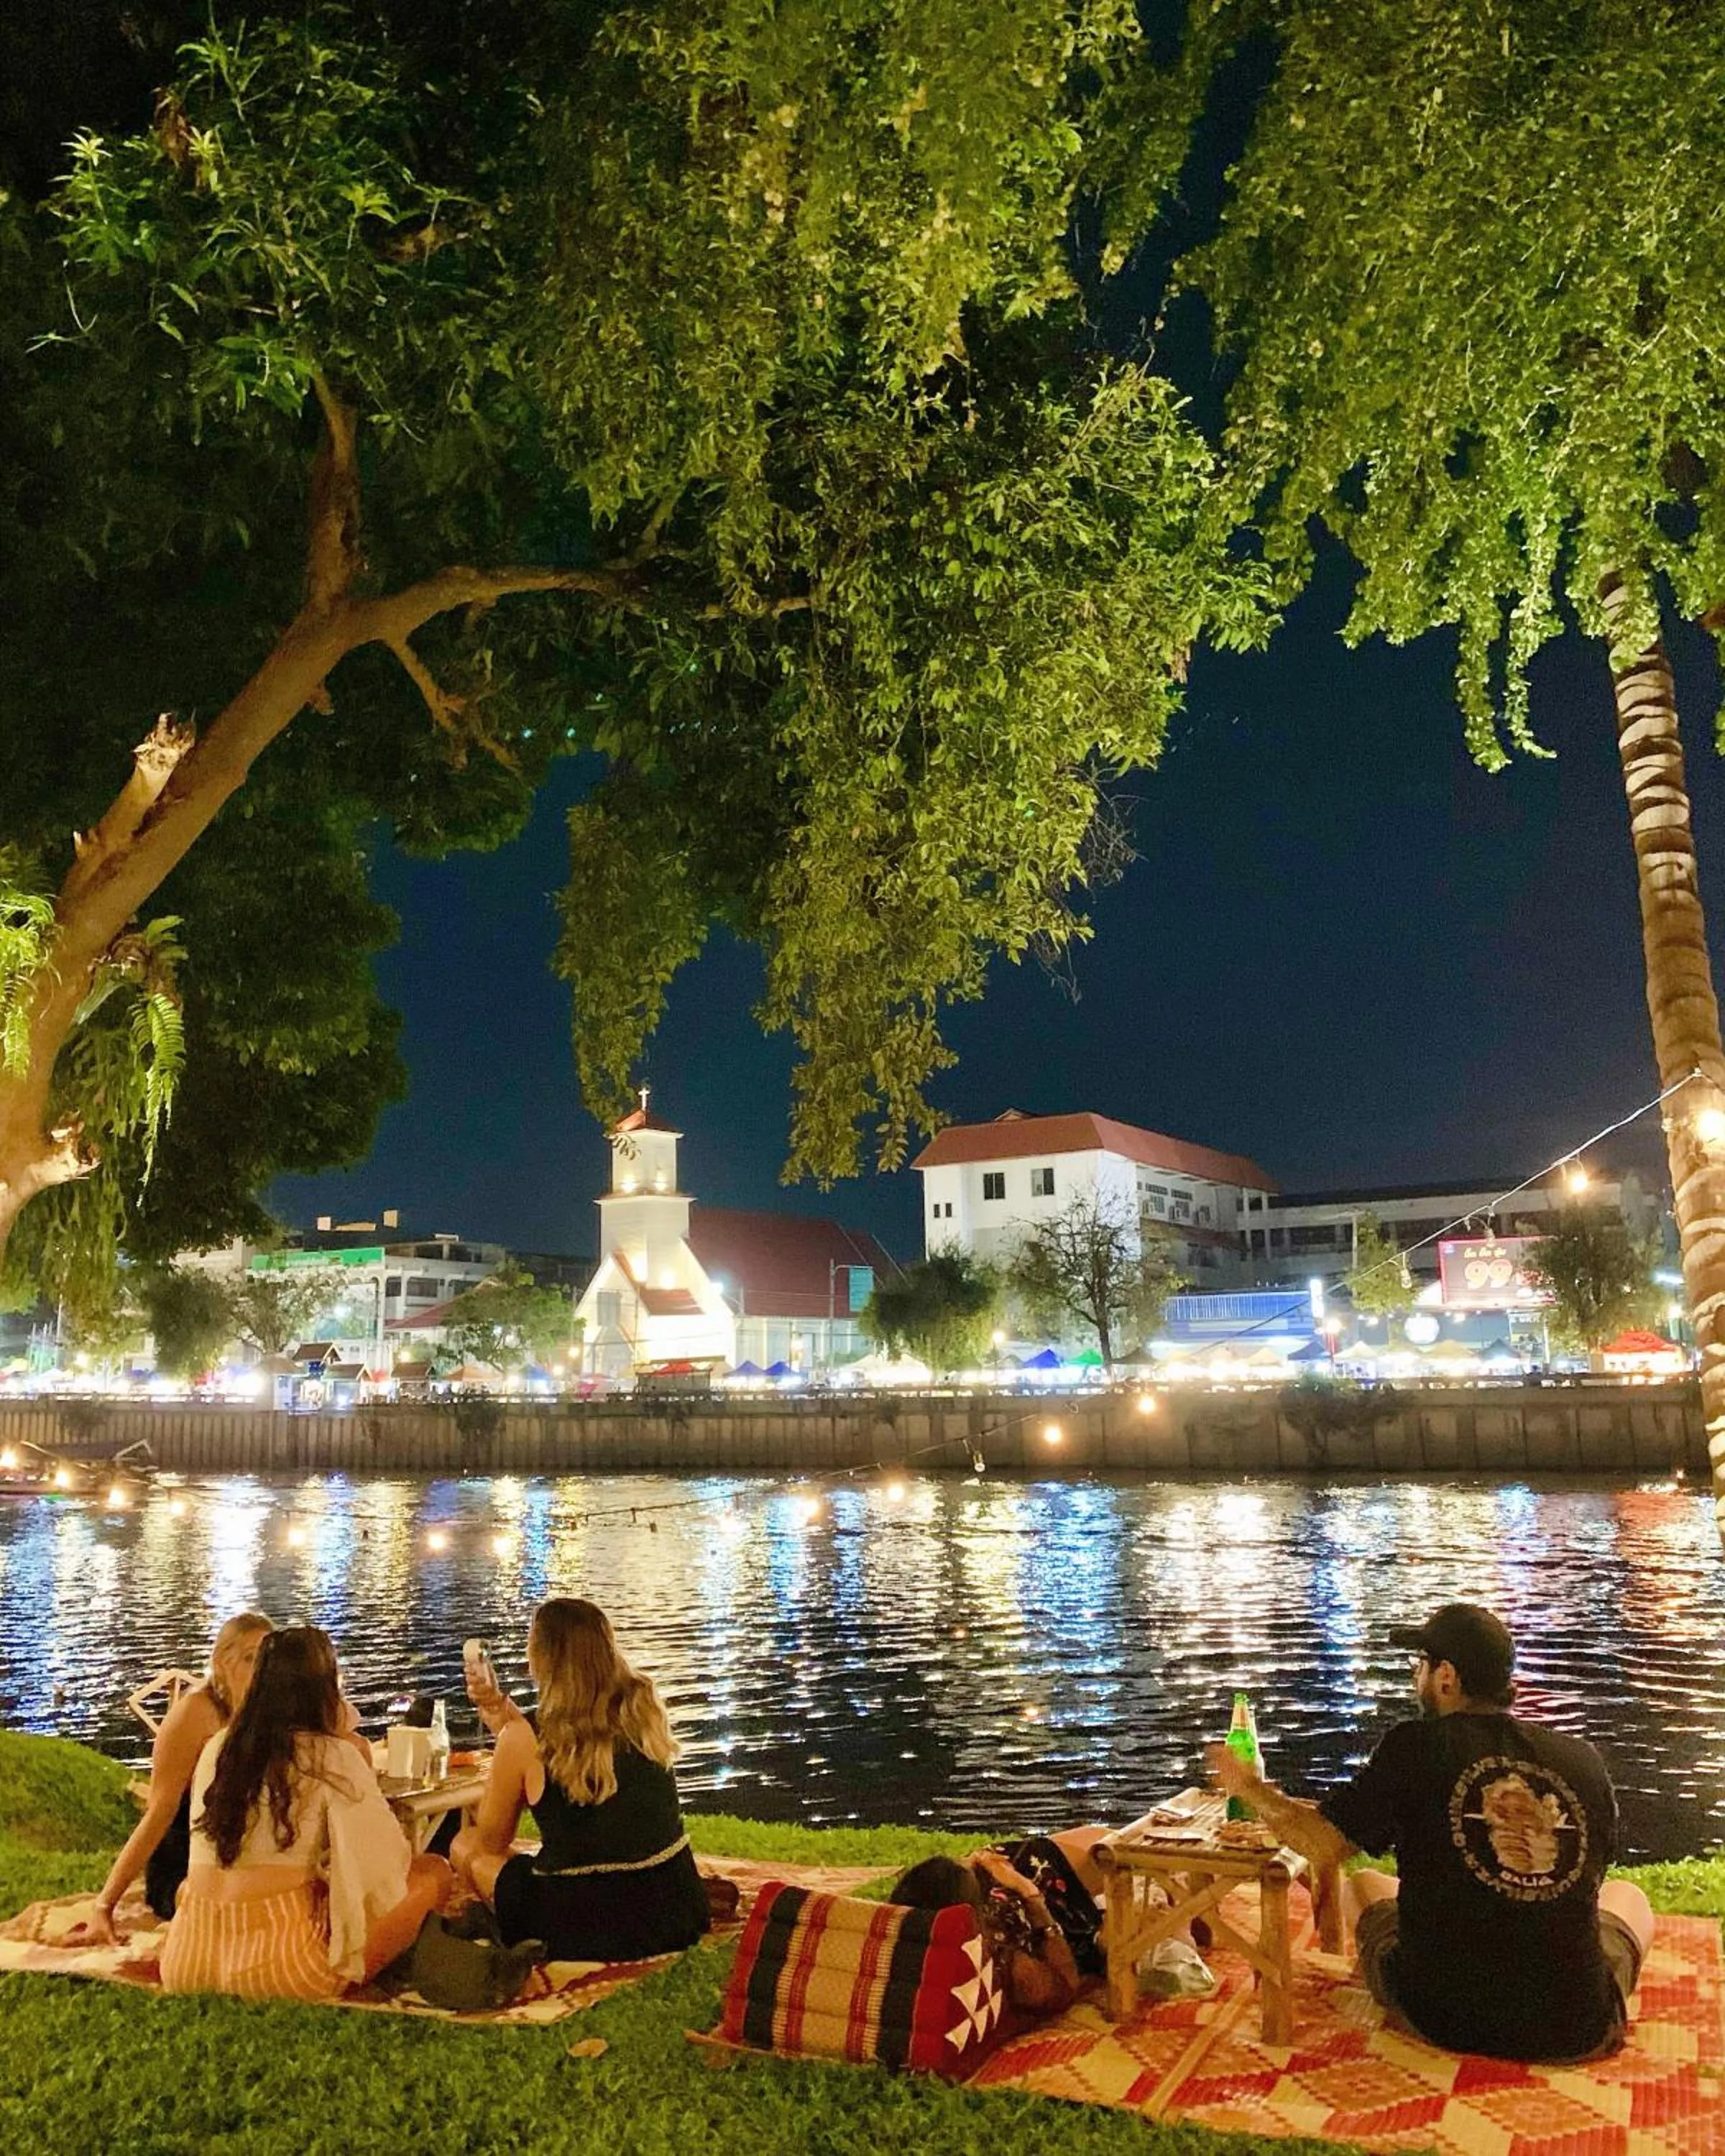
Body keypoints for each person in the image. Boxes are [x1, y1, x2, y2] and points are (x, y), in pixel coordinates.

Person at [1207, 1601, 1655, 2062]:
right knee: (1630, 1899)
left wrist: (1249, 1788)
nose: (1414, 1678)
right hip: (1575, 2025)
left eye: (1418, 1665)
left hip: (1444, 2016)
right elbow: (1593, 1873)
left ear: (1446, 1677)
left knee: (1362, 1885)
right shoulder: (1581, 1759)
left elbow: (1322, 1844)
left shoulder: (1414, 1746)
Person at [159, 1625, 450, 2000]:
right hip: (280, 1968)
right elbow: (388, 1866)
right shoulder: (330, 1755)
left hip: (186, 1958)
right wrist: (353, 1746)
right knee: (434, 1873)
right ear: (325, 1687)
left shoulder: (219, 1747)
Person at [451, 1597, 709, 1961]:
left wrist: (508, 1740)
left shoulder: (526, 1737)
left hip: (583, 1925)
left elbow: (491, 1842)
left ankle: (504, 1925)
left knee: (465, 1845)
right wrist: (499, 1714)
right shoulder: (643, 1709)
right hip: (675, 1909)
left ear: (541, 1658)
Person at [75, 1613, 274, 1943]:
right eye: (250, 1658)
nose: (259, 1670)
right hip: (186, 1859)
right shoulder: (194, 1714)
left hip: (246, 1854)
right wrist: (104, 1906)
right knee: (231, 1915)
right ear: (222, 1661)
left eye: (266, 1660)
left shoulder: (266, 1712)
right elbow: (159, 1812)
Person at [888, 1851, 1082, 2018]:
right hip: (1058, 1920)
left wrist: (967, 1872)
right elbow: (1066, 1988)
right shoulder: (998, 1965)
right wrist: (1030, 1895)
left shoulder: (901, 1947)